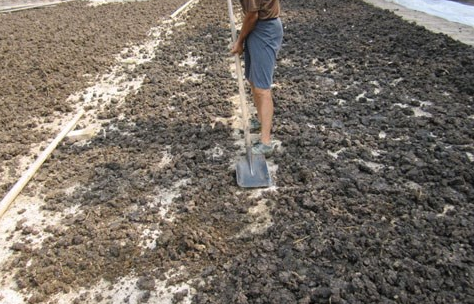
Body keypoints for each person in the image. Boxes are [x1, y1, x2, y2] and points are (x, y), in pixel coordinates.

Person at [231, 0, 283, 156]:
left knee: (262, 88)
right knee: (253, 80)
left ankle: (266, 142)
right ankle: (260, 120)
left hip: (265, 29)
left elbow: (253, 15)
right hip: (256, 27)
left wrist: (240, 41)